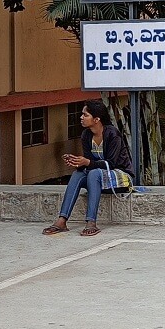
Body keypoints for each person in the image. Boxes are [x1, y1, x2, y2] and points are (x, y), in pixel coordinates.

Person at [43, 100, 134, 237]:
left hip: (121, 176)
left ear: (96, 119)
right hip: (97, 176)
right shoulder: (86, 135)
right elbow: (89, 162)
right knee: (77, 174)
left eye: (85, 115)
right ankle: (62, 220)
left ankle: (91, 222)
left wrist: (87, 162)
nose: (81, 117)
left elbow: (112, 163)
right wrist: (78, 162)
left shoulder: (112, 134)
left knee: (93, 174)